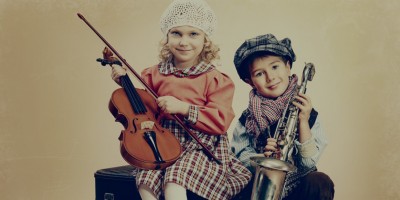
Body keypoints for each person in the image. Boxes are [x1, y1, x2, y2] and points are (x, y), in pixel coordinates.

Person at [110, 0, 251, 199]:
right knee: (146, 179)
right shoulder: (154, 74)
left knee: (175, 179)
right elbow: (143, 110)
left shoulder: (216, 79)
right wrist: (125, 83)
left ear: (205, 40)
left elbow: (220, 121)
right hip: (160, 142)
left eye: (193, 34)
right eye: (176, 33)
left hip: (200, 146)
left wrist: (184, 108)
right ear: (166, 37)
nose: (184, 41)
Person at [230, 33, 335, 200]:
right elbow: (239, 156)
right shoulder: (247, 118)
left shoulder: (307, 112)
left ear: (288, 67)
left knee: (320, 182)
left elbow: (308, 163)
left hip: (297, 185)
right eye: (259, 73)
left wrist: (303, 122)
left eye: (274, 67)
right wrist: (261, 159)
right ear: (249, 81)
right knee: (235, 189)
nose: (270, 77)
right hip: (262, 185)